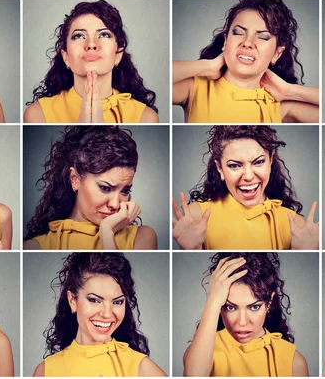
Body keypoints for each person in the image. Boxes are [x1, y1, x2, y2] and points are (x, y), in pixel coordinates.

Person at [172, 126, 318, 250]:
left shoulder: (297, 226)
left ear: (270, 161)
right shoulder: (195, 217)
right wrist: (192, 250)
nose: (248, 176)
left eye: (258, 162)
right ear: (220, 169)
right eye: (234, 165)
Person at [173, 0, 319, 123]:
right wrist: (208, 66)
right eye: (239, 33)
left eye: (262, 37)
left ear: (277, 53)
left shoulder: (280, 105)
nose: (248, 42)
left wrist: (290, 90)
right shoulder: (195, 87)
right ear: (226, 41)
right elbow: (161, 78)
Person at [24, 0, 158, 124]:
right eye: (79, 36)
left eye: (104, 34)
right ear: (66, 57)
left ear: (118, 54)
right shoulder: (38, 115)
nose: (91, 44)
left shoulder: (145, 117)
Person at [33, 253, 166, 377]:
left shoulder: (142, 368)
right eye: (94, 300)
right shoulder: (45, 371)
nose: (107, 314)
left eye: (118, 302)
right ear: (73, 300)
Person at [24, 126, 157, 250]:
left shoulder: (142, 237)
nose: (115, 204)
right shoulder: (36, 246)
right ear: (75, 179)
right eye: (105, 188)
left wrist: (107, 231)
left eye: (125, 190)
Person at [184, 253, 309, 376]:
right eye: (230, 307)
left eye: (254, 307)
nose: (242, 322)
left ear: (269, 302)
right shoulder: (203, 353)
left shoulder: (294, 362)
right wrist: (213, 300)